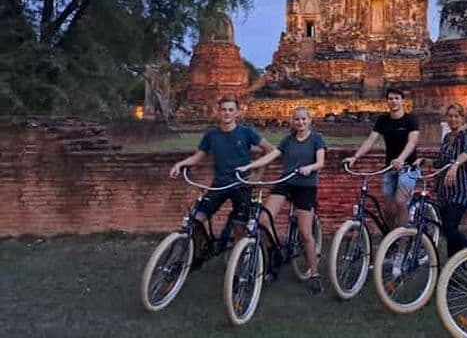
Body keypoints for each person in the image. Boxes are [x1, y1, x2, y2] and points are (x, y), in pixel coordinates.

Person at [237, 107, 326, 295]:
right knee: (263, 220)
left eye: (303, 119)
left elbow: (320, 163)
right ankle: (275, 253)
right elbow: (271, 156)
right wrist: (248, 166)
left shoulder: (316, 138)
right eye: (297, 119)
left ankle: (315, 274)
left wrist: (309, 168)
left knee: (305, 233)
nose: (300, 122)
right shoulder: (288, 140)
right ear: (292, 121)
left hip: (306, 185)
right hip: (286, 182)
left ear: (309, 120)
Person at [169, 96, 269, 245]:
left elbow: (270, 150)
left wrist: (258, 174)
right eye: (223, 110)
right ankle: (198, 252)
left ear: (237, 112)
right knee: (196, 219)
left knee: (239, 227)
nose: (227, 113)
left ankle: (238, 257)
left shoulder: (247, 132)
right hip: (219, 184)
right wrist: (179, 164)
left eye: (230, 110)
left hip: (241, 185)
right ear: (218, 112)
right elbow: (198, 156)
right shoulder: (211, 135)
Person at [343, 87, 419, 229]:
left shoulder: (410, 120)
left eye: (397, 98)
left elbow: (412, 142)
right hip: (389, 167)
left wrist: (401, 159)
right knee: (388, 209)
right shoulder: (383, 120)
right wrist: (355, 157)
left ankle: (403, 237)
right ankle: (391, 237)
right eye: (390, 99)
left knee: (400, 201)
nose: (393, 101)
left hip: (408, 167)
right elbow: (370, 141)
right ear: (387, 101)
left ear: (402, 101)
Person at [414, 103, 467, 257]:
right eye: (450, 116)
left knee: (450, 228)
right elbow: (441, 162)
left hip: (460, 191)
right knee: (449, 232)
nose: (453, 119)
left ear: (462, 118)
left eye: (456, 116)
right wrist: (424, 161)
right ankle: (454, 267)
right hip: (444, 191)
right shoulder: (447, 138)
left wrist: (455, 165)